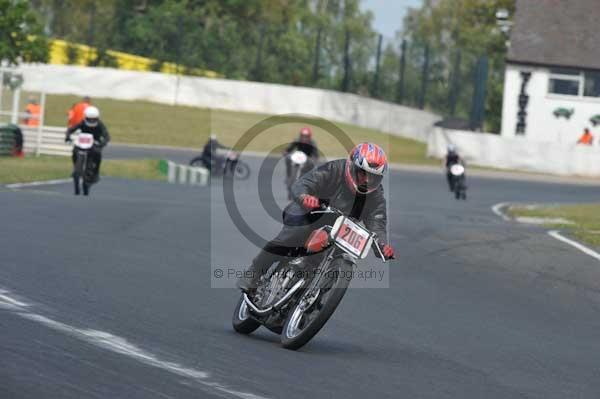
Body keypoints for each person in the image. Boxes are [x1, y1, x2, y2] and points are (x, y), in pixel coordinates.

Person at [237, 142, 396, 293]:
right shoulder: (334, 169)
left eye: (373, 177)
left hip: (339, 229)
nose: (366, 180)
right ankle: (253, 273)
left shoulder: (376, 196)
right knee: (293, 235)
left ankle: (312, 300)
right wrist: (305, 197)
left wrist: (382, 245)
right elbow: (303, 183)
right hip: (310, 212)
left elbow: (377, 223)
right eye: (363, 173)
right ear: (352, 167)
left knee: (337, 254)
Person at [65, 106, 110, 194]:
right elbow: (71, 129)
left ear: (97, 118)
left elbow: (106, 136)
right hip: (82, 143)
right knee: (74, 150)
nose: (91, 121)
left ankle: (96, 172)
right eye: (89, 119)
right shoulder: (82, 123)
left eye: (93, 119)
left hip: (94, 143)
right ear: (85, 117)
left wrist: (102, 143)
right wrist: (68, 136)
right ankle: (76, 168)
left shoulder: (100, 124)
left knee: (98, 153)